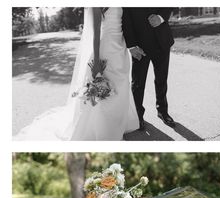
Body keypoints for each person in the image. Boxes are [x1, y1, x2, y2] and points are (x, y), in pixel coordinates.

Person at [14, 8, 139, 141]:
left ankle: (118, 123)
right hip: (106, 47)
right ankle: (104, 128)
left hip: (120, 48)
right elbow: (96, 32)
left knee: (120, 87)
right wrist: (96, 61)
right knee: (103, 88)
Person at [122, 8, 175, 130]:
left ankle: (162, 111)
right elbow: (126, 19)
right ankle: (138, 116)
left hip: (161, 40)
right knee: (138, 83)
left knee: (162, 79)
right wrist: (131, 45)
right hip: (139, 45)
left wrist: (161, 17)